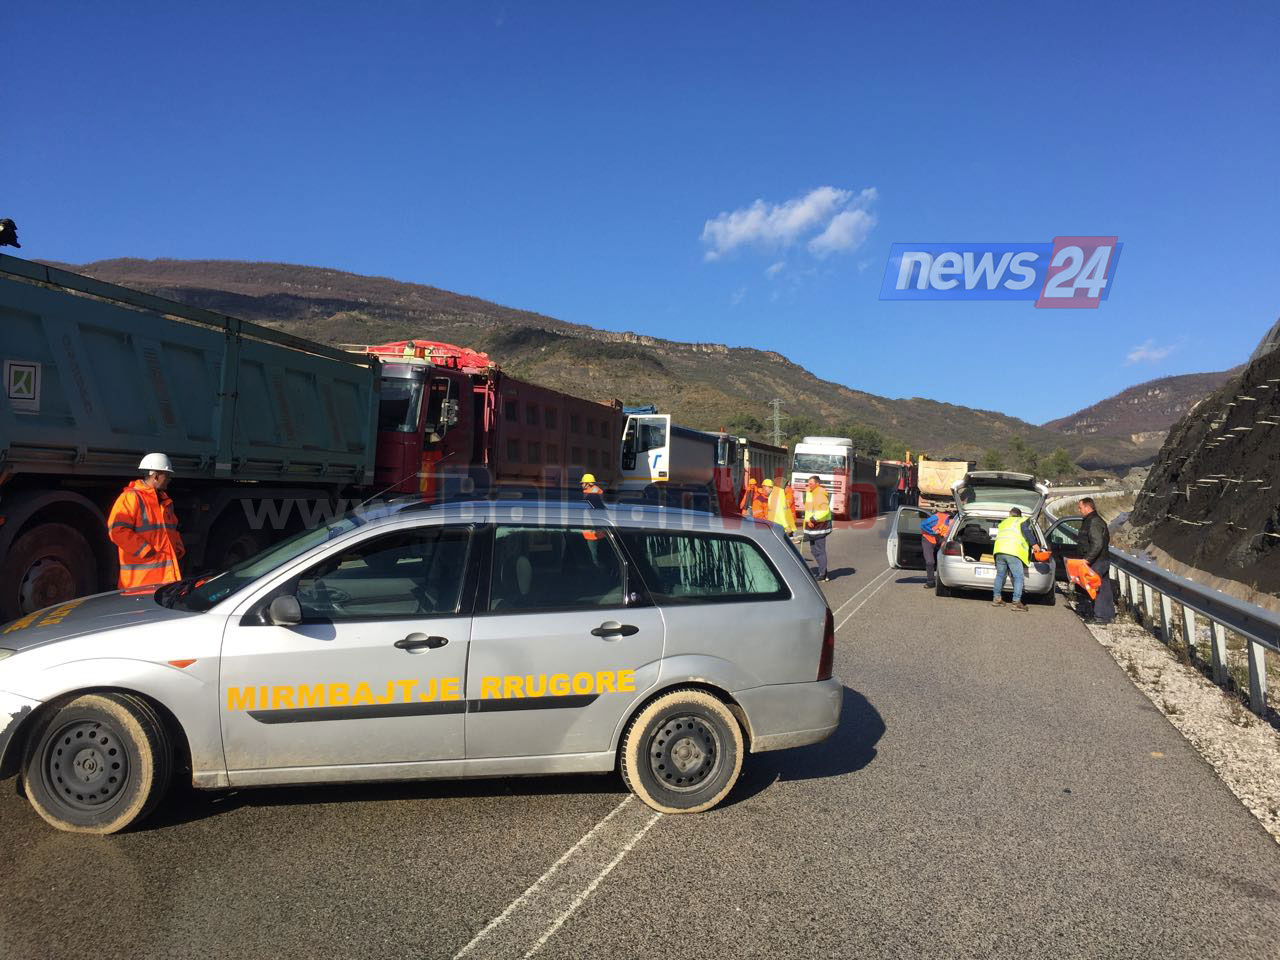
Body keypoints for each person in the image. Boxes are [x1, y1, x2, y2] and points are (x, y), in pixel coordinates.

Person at [107, 453, 184, 588]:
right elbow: (117, 531)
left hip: (164, 579)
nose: (170, 479)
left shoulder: (165, 501)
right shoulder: (131, 497)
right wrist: (144, 550)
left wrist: (178, 547)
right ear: (156, 476)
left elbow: (171, 530)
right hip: (140, 582)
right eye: (167, 475)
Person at [1075, 497, 1115, 624]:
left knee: (1095, 587)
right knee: (1103, 588)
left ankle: (1100, 616)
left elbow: (1097, 543)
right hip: (1100, 559)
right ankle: (1107, 615)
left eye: (1080, 507)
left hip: (1097, 560)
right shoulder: (1091, 521)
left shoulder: (1094, 522)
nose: (1079, 510)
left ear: (1087, 507)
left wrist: (1087, 559)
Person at [991, 506, 1036, 611]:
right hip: (1012, 552)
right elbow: (1027, 532)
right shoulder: (1021, 520)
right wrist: (1034, 544)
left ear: (1010, 514)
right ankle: (1016, 603)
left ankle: (996, 599)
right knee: (1018, 577)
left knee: (1000, 575)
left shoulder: (1003, 523)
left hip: (999, 551)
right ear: (1019, 515)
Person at [802, 475, 833, 581]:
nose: (808, 485)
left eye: (811, 483)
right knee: (814, 550)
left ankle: (822, 573)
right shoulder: (812, 493)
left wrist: (813, 519)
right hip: (813, 526)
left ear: (817, 484)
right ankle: (823, 570)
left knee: (819, 550)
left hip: (819, 525)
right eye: (808, 483)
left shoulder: (819, 493)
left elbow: (824, 511)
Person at [919, 508, 953, 589]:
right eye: (952, 523)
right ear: (949, 519)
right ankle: (930, 582)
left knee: (944, 560)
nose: (952, 525)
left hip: (939, 539)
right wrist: (933, 532)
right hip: (928, 539)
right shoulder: (937, 518)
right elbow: (922, 525)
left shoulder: (954, 523)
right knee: (930, 561)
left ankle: (945, 581)